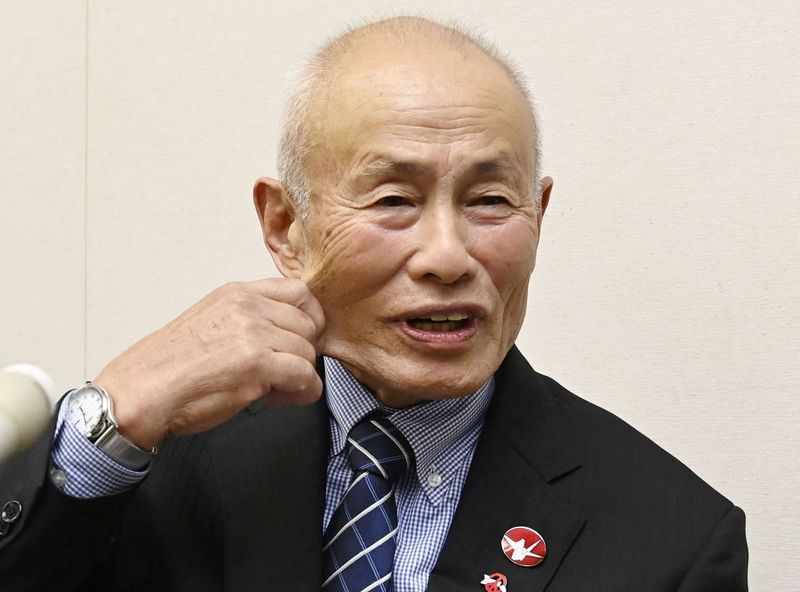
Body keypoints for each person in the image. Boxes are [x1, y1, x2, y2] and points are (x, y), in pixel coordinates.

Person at [0, 16, 747, 592]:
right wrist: (108, 420)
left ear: (539, 213)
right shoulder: (160, 462)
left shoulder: (672, 537)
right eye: (394, 200)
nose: (449, 256)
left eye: (491, 200)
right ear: (285, 227)